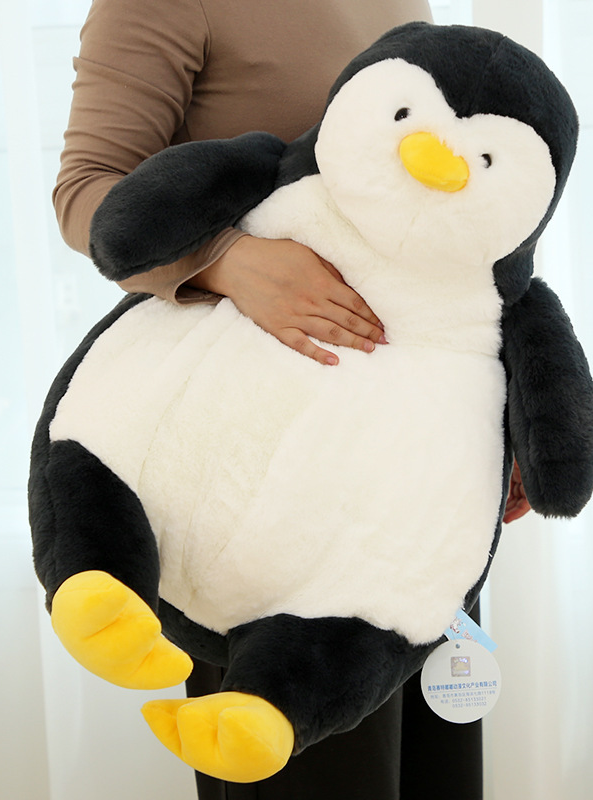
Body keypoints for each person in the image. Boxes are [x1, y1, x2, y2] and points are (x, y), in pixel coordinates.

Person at [53, 2, 530, 797]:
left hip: (419, 485)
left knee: (435, 772)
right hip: (267, 493)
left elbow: (461, 222)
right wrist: (228, 258)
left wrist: (512, 417)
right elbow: (86, 191)